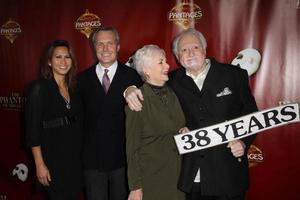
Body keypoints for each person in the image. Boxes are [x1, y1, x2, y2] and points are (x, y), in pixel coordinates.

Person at [125, 28, 258, 200]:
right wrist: (129, 90)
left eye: (195, 47)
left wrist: (243, 141)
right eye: (184, 50)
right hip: (192, 177)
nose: (190, 53)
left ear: (204, 49)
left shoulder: (234, 75)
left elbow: (251, 114)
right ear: (178, 57)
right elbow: (146, 79)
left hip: (228, 173)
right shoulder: (171, 80)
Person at [77, 25, 142, 200]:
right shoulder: (81, 80)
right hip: (92, 161)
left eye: (110, 43)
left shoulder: (134, 77)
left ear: (118, 46)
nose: (105, 49)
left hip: (123, 160)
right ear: (94, 47)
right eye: (100, 44)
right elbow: (78, 121)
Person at [125, 45, 188, 200]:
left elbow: (177, 125)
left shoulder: (173, 92)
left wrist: (184, 130)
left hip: (178, 176)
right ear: (146, 70)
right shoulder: (137, 101)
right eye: (161, 62)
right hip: (152, 180)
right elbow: (132, 149)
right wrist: (135, 187)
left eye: (166, 61)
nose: (167, 65)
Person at [25, 40, 83, 200]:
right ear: (49, 61)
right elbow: (32, 130)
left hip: (74, 156)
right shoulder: (38, 89)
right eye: (58, 57)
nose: (63, 62)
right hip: (52, 157)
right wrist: (39, 164)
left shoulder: (75, 88)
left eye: (67, 57)